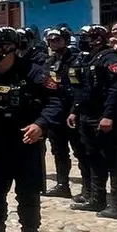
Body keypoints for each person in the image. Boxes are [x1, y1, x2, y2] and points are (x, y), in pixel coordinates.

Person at [0, 26, 64, 232]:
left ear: (11, 48)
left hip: (26, 145)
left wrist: (41, 124)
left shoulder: (36, 73)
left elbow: (56, 101)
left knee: (28, 198)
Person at [68, 24, 117, 218]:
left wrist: (109, 115)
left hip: (103, 116)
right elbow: (81, 89)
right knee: (93, 157)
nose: (83, 41)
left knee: (112, 161)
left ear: (98, 38)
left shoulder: (110, 58)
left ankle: (116, 205)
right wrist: (74, 111)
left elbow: (115, 89)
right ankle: (96, 199)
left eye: (87, 37)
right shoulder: (88, 58)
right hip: (86, 115)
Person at [41, 26, 86, 199]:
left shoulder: (77, 59)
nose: (54, 43)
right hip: (55, 112)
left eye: (57, 40)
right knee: (58, 151)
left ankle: (88, 188)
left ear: (66, 41)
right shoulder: (49, 61)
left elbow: (81, 88)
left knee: (80, 150)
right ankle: (62, 184)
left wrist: (75, 110)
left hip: (73, 111)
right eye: (51, 40)